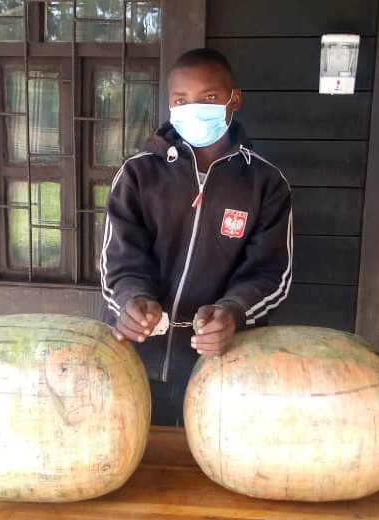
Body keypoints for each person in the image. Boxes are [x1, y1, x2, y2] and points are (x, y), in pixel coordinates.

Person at [101, 48, 292, 425]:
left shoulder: (265, 184)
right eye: (181, 100)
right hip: (135, 359)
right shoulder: (138, 175)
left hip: (223, 365)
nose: (194, 109)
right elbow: (119, 261)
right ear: (170, 105)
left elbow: (271, 274)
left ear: (234, 99)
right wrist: (131, 300)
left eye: (209, 97)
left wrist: (233, 312)